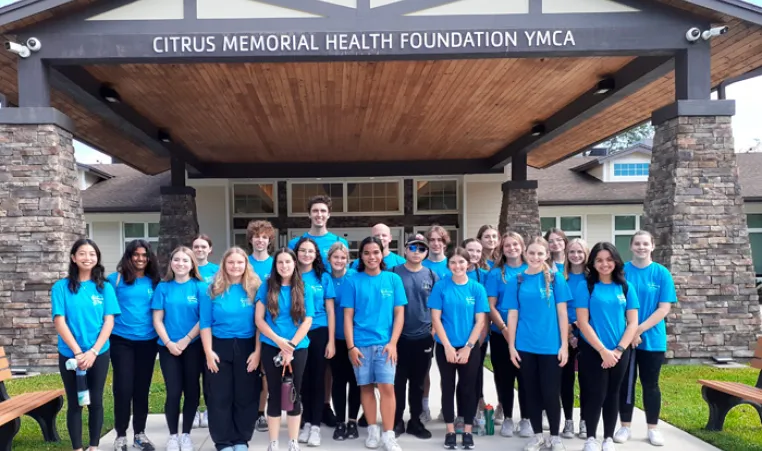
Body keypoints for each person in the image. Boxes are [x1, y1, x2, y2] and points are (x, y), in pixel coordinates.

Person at [504, 237, 572, 451]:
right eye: (531, 253)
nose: (535, 257)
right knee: (530, 391)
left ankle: (554, 436)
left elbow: (562, 314)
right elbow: (512, 315)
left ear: (547, 255)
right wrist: (511, 346)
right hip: (525, 345)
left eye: (540, 254)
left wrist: (564, 345)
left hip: (551, 346)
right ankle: (536, 435)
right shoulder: (517, 280)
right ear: (525, 254)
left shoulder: (555, 278)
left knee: (551, 392)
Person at [53, 239, 120, 451]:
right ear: (73, 257)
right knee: (75, 403)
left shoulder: (105, 287)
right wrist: (78, 352)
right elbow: (59, 321)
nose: (87, 258)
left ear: (97, 258)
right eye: (82, 253)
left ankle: (93, 446)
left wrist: (92, 351)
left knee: (95, 401)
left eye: (92, 254)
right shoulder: (61, 287)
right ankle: (77, 448)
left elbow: (109, 321)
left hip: (98, 353)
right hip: (70, 353)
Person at [343, 237, 407, 451]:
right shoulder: (353, 280)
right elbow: (348, 317)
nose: (372, 257)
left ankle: (388, 435)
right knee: (366, 387)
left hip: (385, 345)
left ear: (382, 254)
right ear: (361, 256)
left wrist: (393, 343)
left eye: (376, 252)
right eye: (367, 253)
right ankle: (372, 429)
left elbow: (399, 314)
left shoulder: (393, 279)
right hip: (360, 345)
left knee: (387, 387)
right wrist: (351, 347)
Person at [613, 231, 677, 447]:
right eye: (637, 244)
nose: (641, 247)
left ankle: (653, 428)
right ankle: (625, 426)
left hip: (652, 339)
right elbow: (617, 304)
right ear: (631, 247)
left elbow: (664, 308)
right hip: (625, 339)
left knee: (651, 385)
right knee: (625, 384)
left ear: (652, 246)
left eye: (645, 244)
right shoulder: (622, 272)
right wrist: (630, 333)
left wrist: (638, 330)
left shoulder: (661, 273)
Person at [575, 242, 639, 451]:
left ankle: (608, 438)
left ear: (616, 261)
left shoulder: (625, 286)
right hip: (593, 351)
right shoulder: (585, 286)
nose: (604, 264)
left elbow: (632, 323)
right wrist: (603, 351)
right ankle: (591, 438)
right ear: (592, 263)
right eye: (599, 260)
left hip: (620, 352)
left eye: (609, 260)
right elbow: (583, 322)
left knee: (613, 393)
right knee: (596, 393)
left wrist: (619, 350)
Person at [200, 247, 263, 451]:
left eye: (239, 262)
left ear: (246, 265)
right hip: (219, 346)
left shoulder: (256, 288)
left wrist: (257, 352)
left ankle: (241, 439)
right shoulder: (211, 289)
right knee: (220, 395)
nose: (235, 266)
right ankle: (223, 441)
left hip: (247, 346)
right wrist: (209, 352)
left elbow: (261, 323)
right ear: (224, 265)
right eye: (231, 262)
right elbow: (205, 324)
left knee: (245, 395)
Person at [429, 247, 489, 450]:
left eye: (461, 262)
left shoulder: (476, 288)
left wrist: (468, 347)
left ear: (468, 264)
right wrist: (446, 346)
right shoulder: (441, 287)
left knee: (468, 388)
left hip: (469, 347)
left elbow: (480, 321)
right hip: (445, 346)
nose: (457, 266)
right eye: (453, 262)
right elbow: (435, 318)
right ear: (449, 265)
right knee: (448, 387)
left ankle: (468, 431)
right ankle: (450, 431)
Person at [255, 248, 315, 451]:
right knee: (273, 392)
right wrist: (280, 342)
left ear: (294, 264)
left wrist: (290, 346)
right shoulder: (266, 287)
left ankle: (293, 441)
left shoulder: (305, 288)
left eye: (288, 262)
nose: (284, 266)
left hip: (298, 348)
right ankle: (273, 442)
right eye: (280, 262)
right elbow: (259, 320)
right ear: (275, 266)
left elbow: (308, 320)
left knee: (293, 393)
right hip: (272, 346)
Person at [152, 246, 208, 451]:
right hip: (168, 347)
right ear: (171, 263)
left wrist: (186, 339)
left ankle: (186, 435)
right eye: (177, 260)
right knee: (174, 391)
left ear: (192, 264)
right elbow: (157, 319)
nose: (181, 264)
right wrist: (169, 343)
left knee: (192, 391)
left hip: (192, 346)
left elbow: (204, 317)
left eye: (185, 260)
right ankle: (173, 435)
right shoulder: (163, 287)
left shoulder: (200, 287)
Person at [107, 240, 161, 451]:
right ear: (128, 257)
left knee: (141, 389)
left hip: (148, 342)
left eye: (144, 255)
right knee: (123, 388)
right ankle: (120, 435)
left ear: (149, 258)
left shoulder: (155, 281)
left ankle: (140, 434)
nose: (140, 259)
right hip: (121, 341)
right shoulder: (115, 280)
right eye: (136, 255)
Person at [391, 236, 438, 440]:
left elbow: (438, 306)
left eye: (421, 248)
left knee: (418, 382)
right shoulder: (394, 274)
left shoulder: (431, 275)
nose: (417, 251)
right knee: (398, 381)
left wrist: (434, 329)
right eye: (413, 247)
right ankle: (397, 420)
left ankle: (416, 421)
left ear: (426, 253)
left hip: (423, 337)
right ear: (405, 250)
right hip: (399, 337)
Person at [485, 232, 531, 437]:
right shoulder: (496, 274)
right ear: (501, 250)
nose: (512, 248)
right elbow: (490, 305)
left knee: (526, 377)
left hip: (527, 334)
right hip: (500, 334)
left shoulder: (533, 270)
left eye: (515, 244)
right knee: (504, 377)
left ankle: (527, 419)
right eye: (507, 246)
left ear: (522, 246)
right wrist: (503, 328)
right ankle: (508, 418)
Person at [295, 237, 336, 447]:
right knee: (302, 379)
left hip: (319, 331)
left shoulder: (323, 277)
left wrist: (331, 340)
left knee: (318, 378)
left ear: (316, 254)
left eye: (310, 251)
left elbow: (330, 310)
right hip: (296, 334)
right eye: (303, 250)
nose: (306, 254)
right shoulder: (290, 276)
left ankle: (316, 426)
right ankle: (306, 422)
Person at [327, 242, 361, 441]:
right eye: (335, 257)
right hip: (334, 339)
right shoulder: (325, 279)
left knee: (355, 381)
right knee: (338, 382)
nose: (339, 261)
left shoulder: (354, 279)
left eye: (342, 257)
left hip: (355, 340)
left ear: (347, 260)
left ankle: (352, 421)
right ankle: (340, 421)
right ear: (329, 259)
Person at [247, 220, 276, 433]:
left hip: (268, 324)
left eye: (264, 237)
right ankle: (246, 411)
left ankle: (260, 413)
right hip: (243, 324)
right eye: (257, 236)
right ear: (251, 239)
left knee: (265, 371)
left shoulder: (276, 264)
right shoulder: (243, 262)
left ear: (269, 240)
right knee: (246, 372)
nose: (260, 240)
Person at [561, 239, 590, 440]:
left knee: (587, 380)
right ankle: (569, 421)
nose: (576, 255)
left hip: (588, 334)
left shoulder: (593, 279)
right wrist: (569, 333)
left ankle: (585, 421)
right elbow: (558, 307)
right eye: (572, 251)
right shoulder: (561, 278)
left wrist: (580, 330)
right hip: (565, 333)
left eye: (580, 251)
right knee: (566, 380)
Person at [462, 238, 489, 413]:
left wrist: (480, 337)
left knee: (476, 372)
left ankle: (478, 404)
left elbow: (486, 311)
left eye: (478, 251)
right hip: (457, 333)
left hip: (478, 334)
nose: (474, 254)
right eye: (470, 250)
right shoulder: (452, 274)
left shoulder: (485, 276)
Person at [288, 194, 349, 268]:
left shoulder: (340, 242)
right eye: (315, 211)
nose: (319, 214)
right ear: (309, 214)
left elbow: (344, 272)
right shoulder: (294, 243)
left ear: (328, 214)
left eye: (323, 211)